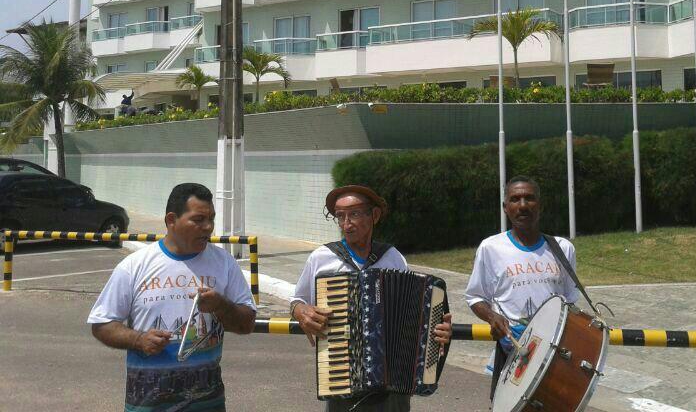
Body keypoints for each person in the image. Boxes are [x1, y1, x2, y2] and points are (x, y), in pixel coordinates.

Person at [88, 183, 256, 412]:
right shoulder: (134, 266)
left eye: (211, 219)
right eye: (198, 219)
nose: (208, 227)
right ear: (171, 220)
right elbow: (101, 324)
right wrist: (139, 340)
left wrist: (221, 306)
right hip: (147, 406)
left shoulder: (224, 263)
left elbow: (247, 323)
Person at [291, 185, 453, 412]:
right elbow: (297, 300)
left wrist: (437, 332)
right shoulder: (322, 257)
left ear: (374, 215)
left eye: (354, 214)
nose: (346, 224)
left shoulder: (393, 257)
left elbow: (416, 316)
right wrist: (300, 311)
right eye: (340, 216)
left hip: (394, 388)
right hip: (341, 377)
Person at [465, 175, 580, 401]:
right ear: (505, 207)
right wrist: (492, 317)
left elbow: (570, 300)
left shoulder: (563, 249)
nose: (523, 205)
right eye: (515, 199)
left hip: (553, 357)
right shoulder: (490, 248)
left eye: (530, 198)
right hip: (512, 355)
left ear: (540, 205)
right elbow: (475, 297)